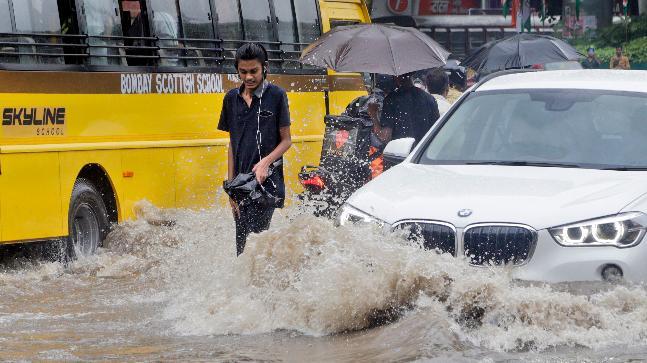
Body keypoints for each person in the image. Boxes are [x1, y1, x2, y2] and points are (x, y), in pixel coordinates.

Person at [218, 43, 292, 256]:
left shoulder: (277, 95)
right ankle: (246, 286)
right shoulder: (231, 99)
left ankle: (258, 285)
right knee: (241, 244)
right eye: (243, 72)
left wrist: (265, 162)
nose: (249, 77)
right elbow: (232, 144)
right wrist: (230, 187)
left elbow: (287, 140)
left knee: (256, 243)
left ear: (264, 68)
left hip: (266, 183)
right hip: (240, 184)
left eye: (254, 71)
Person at [375, 72, 440, 146]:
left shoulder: (391, 99)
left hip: (399, 154)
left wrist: (373, 114)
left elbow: (385, 137)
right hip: (423, 152)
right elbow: (437, 133)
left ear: (396, 77)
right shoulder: (429, 98)